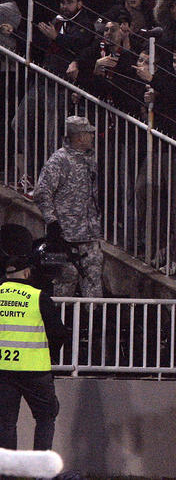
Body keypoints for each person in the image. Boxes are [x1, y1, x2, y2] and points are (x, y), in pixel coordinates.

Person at [0, 223, 69, 453]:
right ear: (28, 272)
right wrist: (50, 356)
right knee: (46, 418)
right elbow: (58, 333)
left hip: (3, 371)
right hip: (35, 372)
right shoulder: (38, 297)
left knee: (6, 424)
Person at [32, 116, 103, 297]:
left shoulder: (89, 160)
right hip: (66, 235)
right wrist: (52, 221)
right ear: (79, 137)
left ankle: (93, 321)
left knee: (94, 280)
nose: (92, 137)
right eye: (89, 134)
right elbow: (42, 192)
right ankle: (62, 321)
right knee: (65, 282)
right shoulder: (59, 160)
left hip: (89, 234)